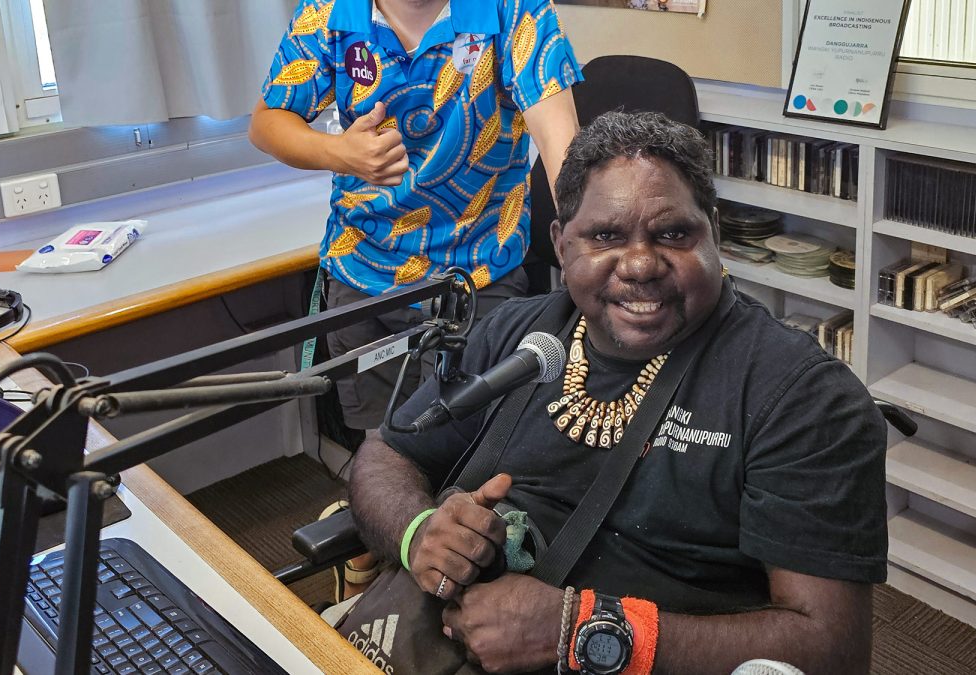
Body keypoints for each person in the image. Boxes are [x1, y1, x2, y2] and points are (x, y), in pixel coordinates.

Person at [346, 111, 887, 673]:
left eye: (673, 234)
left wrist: (579, 631)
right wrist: (419, 533)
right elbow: (387, 453)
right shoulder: (514, 332)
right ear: (561, 244)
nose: (639, 264)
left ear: (715, 234)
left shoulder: (802, 398)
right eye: (605, 236)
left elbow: (831, 650)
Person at [249, 0, 581, 433]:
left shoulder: (514, 8)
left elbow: (564, 150)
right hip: (362, 270)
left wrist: (585, 249)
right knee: (381, 448)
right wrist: (340, 154)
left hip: (476, 277)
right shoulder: (329, 12)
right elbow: (267, 120)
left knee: (464, 450)